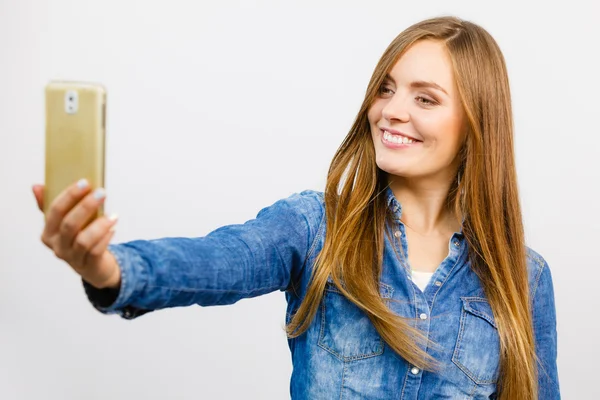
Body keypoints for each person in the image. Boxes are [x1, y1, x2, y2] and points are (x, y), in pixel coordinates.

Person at [32, 16, 559, 400]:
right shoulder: (315, 228)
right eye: (387, 89)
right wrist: (106, 267)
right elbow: (221, 259)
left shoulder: (523, 277)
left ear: (476, 125)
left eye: (425, 99)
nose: (391, 111)